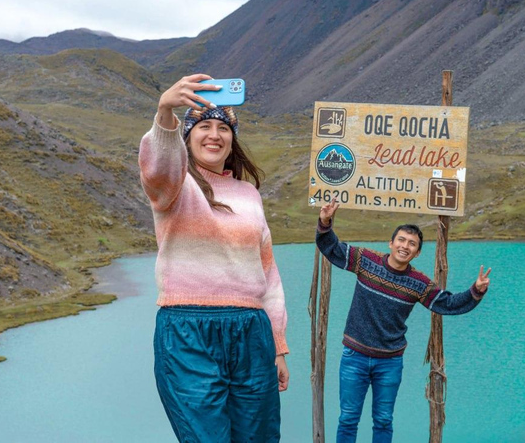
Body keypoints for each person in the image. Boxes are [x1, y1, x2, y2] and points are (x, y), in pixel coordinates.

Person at [138, 73, 289, 443]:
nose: (214, 134)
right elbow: (158, 169)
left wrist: (279, 346)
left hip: (251, 332)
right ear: (187, 137)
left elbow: (267, 275)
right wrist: (165, 112)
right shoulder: (175, 186)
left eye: (223, 127)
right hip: (188, 330)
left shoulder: (248, 195)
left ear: (232, 140)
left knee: (259, 438)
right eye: (203, 125)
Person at [315, 198, 491, 443]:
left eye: (412, 244)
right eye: (401, 240)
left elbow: (447, 303)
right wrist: (325, 221)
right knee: (348, 417)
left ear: (417, 252)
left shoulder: (419, 283)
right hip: (354, 356)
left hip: (389, 362)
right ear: (391, 242)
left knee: (384, 420)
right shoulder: (366, 260)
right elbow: (331, 248)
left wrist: (476, 290)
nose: (405, 246)